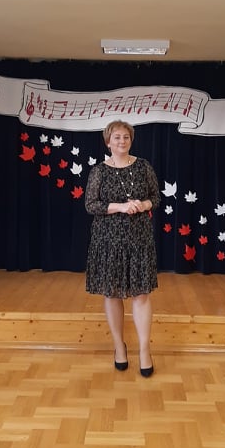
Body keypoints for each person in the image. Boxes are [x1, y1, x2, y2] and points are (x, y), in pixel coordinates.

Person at [85, 120, 160, 377]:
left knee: (142, 295)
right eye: (116, 137)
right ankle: (119, 346)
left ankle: (144, 350)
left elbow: (156, 197)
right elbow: (91, 205)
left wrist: (143, 205)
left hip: (139, 240)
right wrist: (120, 206)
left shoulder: (143, 166)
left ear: (131, 140)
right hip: (108, 240)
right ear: (108, 142)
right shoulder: (98, 171)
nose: (121, 141)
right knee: (112, 294)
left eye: (126, 137)